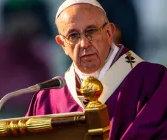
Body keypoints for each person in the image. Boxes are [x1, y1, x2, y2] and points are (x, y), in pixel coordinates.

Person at [26, 0, 167, 139]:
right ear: (62, 44)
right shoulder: (48, 99)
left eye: (91, 31)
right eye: (73, 35)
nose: (84, 43)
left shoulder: (153, 81)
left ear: (109, 33)